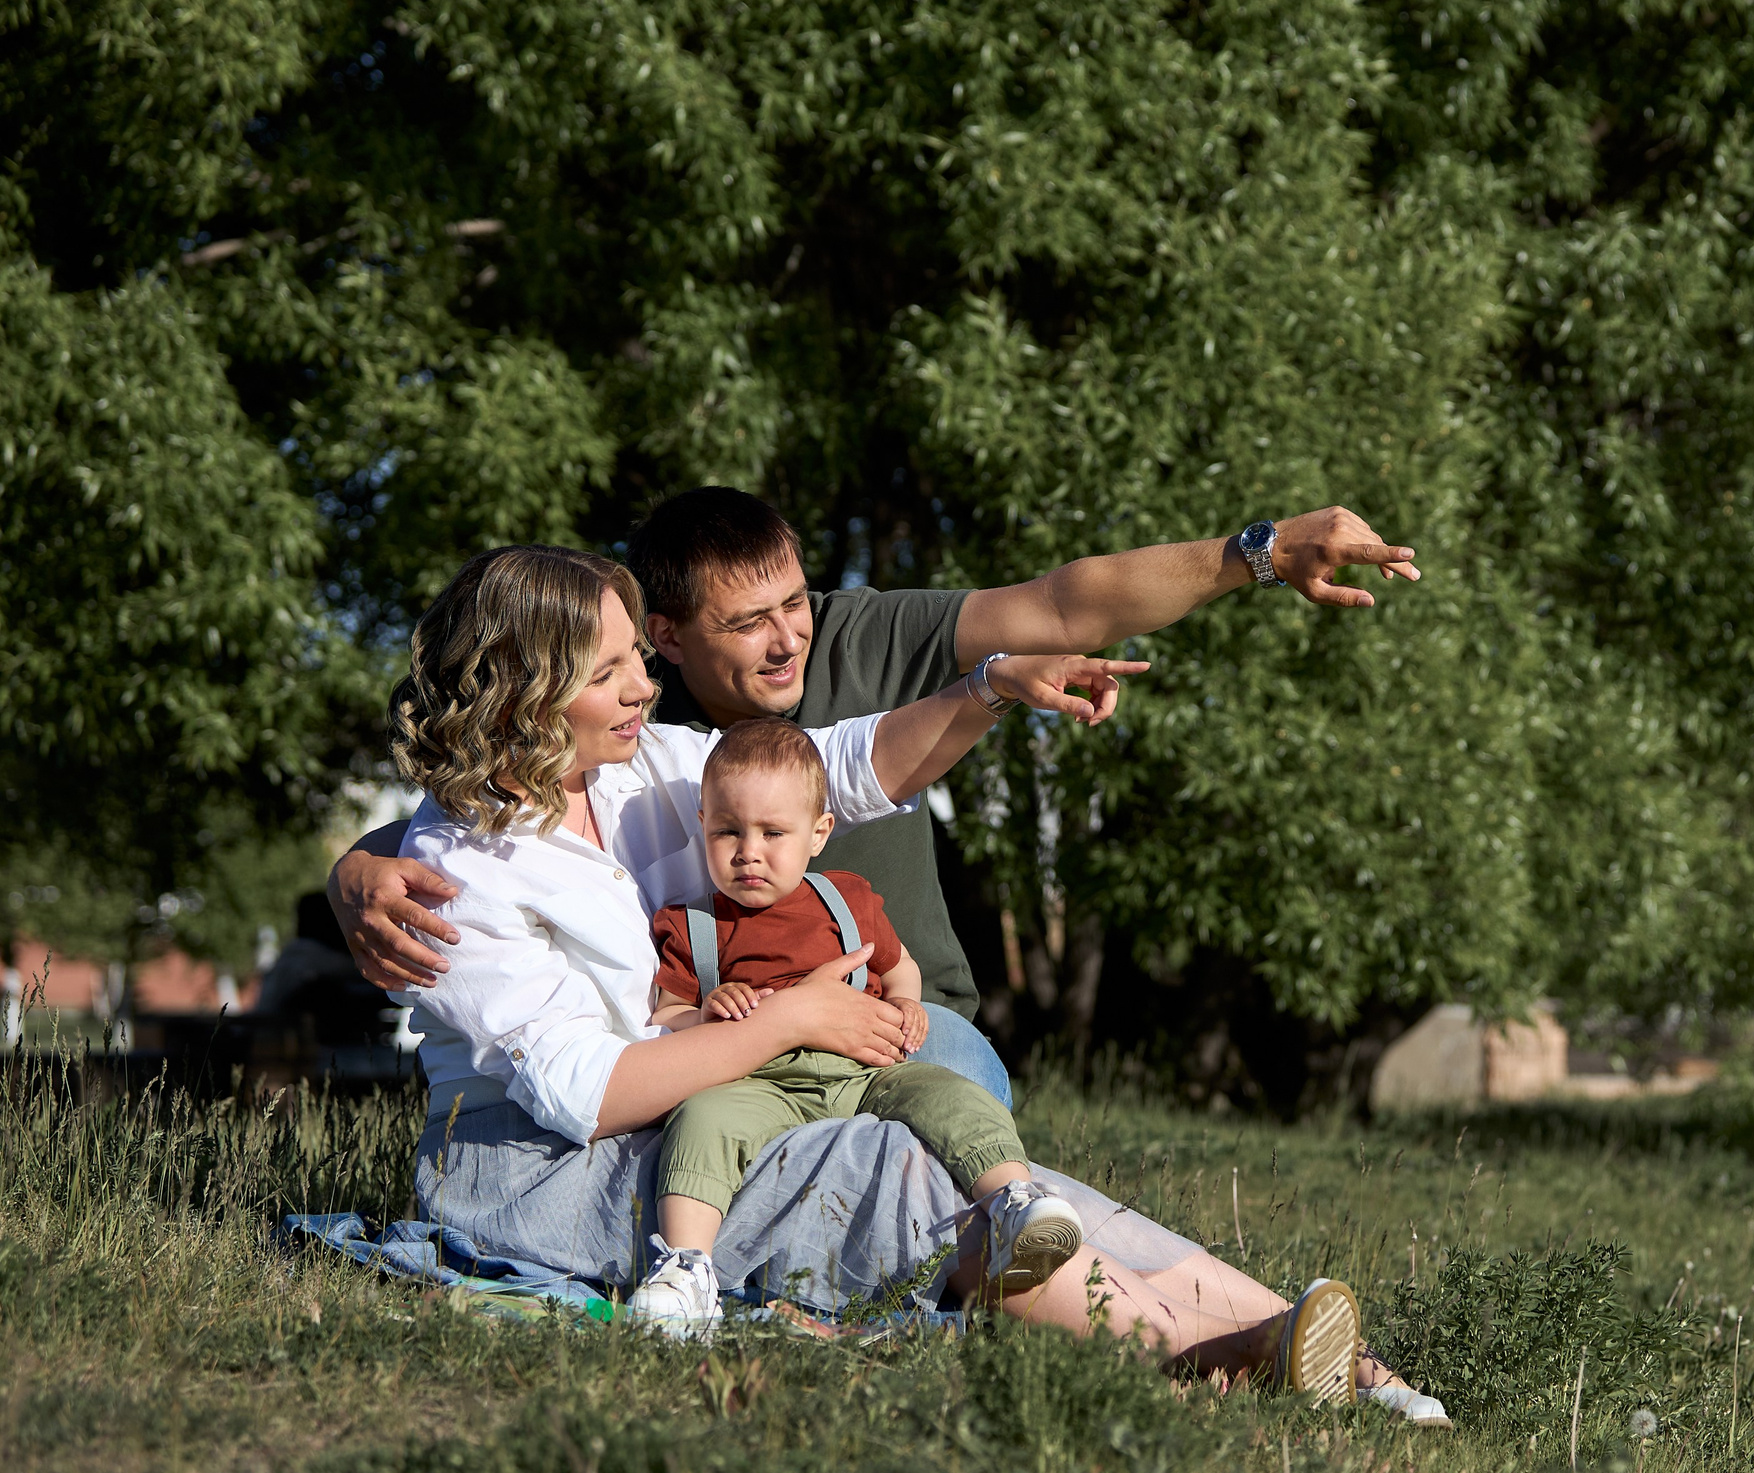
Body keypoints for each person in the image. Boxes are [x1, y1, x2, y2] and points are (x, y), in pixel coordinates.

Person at [390, 542, 1368, 1401]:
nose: (643, 686)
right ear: (525, 688)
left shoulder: (628, 771)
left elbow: (830, 766)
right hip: (537, 1179)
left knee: (1000, 1169)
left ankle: (1342, 1357)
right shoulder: (458, 867)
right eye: (609, 672)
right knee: (896, 1162)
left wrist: (982, 689)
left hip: (684, 1107)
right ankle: (1214, 1356)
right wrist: (791, 1019)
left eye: (636, 660)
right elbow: (582, 1092)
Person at [331, 492, 1422, 1114]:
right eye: (747, 620)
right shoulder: (632, 737)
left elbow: (1063, 602)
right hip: (723, 1034)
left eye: (795, 601)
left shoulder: (863, 638)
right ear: (664, 636)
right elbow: (501, 810)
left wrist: (1260, 553)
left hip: (903, 1010)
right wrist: (363, 858)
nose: (788, 636)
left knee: (945, 1127)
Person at [633, 717, 1082, 1336]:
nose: (748, 851)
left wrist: (907, 1004)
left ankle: (1013, 1198)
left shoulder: (847, 899)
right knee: (702, 1120)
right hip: (758, 1081)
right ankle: (686, 1267)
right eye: (727, 831)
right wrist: (704, 1013)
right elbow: (664, 1015)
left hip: (862, 1069)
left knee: (948, 1093)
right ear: (702, 824)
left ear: (819, 833)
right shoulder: (690, 926)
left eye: (773, 833)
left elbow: (900, 969)